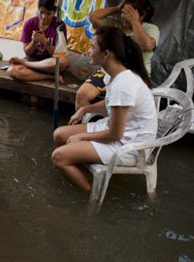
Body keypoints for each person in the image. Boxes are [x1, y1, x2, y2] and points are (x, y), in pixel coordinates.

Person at [51, 26, 157, 191]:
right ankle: (80, 172)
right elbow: (111, 104)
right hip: (121, 132)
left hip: (130, 146)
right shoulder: (114, 74)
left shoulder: (124, 83)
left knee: (59, 157)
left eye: (93, 47)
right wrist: (85, 110)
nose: (89, 50)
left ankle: (91, 193)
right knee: (59, 135)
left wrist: (83, 137)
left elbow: (115, 134)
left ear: (106, 54)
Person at [75, 0, 160, 110]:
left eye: (128, 13)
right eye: (123, 12)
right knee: (81, 95)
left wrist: (135, 21)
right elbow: (93, 17)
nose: (123, 16)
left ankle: (113, 126)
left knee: (121, 102)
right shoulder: (115, 25)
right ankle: (87, 125)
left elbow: (146, 45)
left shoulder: (150, 29)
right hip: (108, 72)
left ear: (142, 14)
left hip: (136, 74)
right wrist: (117, 8)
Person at [8, 0, 70, 83]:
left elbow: (60, 55)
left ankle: (25, 63)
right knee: (12, 71)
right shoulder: (30, 23)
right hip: (32, 62)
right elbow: (27, 52)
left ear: (54, 12)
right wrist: (34, 42)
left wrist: (45, 41)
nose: (44, 17)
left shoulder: (60, 25)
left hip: (49, 64)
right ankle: (50, 77)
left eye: (48, 14)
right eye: (41, 12)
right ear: (38, 9)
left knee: (64, 61)